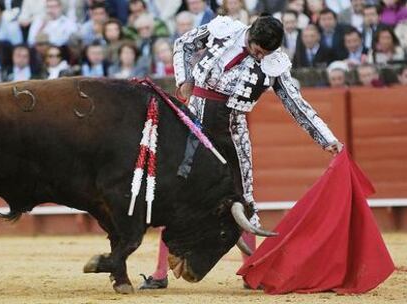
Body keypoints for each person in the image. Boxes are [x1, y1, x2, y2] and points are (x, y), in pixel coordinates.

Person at [140, 14, 343, 289]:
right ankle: (160, 273)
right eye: (256, 50)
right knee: (177, 192)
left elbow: (296, 103)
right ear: (250, 34)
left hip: (232, 132)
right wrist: (184, 79)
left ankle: (251, 271)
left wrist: (326, 138)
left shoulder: (274, 64)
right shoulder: (225, 30)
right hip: (194, 124)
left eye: (264, 54)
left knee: (244, 198)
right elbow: (183, 43)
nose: (259, 57)